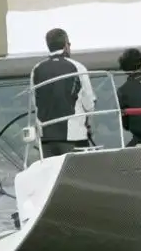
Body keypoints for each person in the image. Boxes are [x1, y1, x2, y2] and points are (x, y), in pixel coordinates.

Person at [31, 28, 96, 158]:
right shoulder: (77, 67)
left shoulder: (36, 69)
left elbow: (35, 102)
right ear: (65, 45)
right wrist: (88, 124)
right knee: (77, 177)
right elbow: (89, 103)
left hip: (46, 139)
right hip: (73, 136)